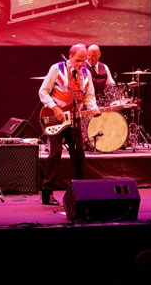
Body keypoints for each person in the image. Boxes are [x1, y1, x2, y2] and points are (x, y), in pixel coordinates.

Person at [38, 44, 100, 205]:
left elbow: (89, 97)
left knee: (79, 155)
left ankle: (79, 190)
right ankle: (47, 191)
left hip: (75, 119)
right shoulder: (56, 69)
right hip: (56, 117)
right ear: (70, 56)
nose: (81, 64)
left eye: (83, 61)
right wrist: (55, 108)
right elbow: (43, 91)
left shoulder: (85, 74)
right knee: (55, 153)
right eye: (78, 60)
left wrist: (94, 109)